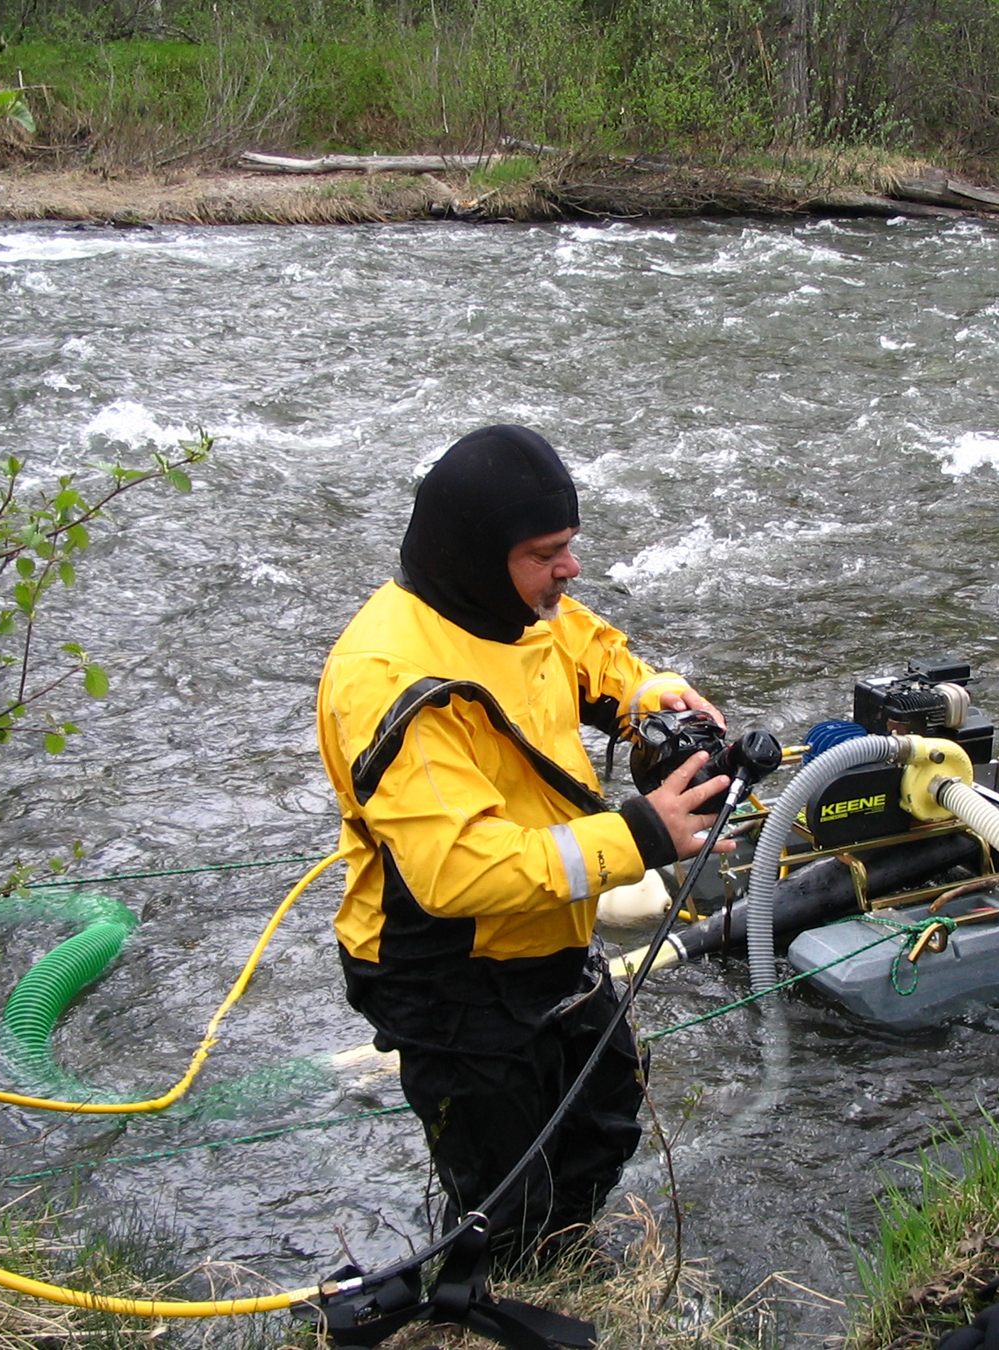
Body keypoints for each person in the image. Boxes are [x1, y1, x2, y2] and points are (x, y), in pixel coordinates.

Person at [316, 424, 728, 1266]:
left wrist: (648, 697)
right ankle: (502, 1280)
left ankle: (563, 1257)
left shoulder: (510, 606)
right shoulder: (391, 682)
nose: (569, 569)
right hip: (444, 970)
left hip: (543, 933)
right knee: (503, 1187)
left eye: (569, 547)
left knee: (607, 1108)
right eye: (549, 553)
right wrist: (643, 832)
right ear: (477, 555)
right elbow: (457, 873)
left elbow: (581, 644)